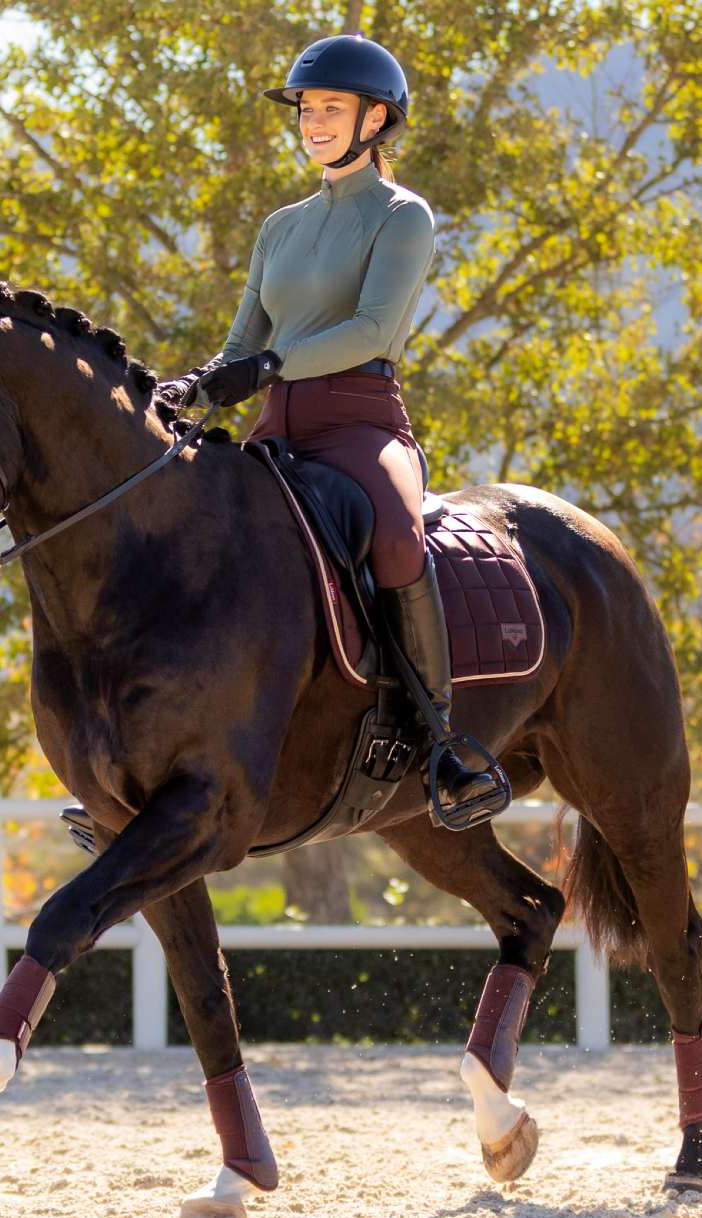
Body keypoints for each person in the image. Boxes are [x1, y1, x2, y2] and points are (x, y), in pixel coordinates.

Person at [161, 34, 498, 821]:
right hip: (274, 428)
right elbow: (242, 343)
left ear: (374, 119)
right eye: (307, 109)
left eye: (330, 109)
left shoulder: (401, 216)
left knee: (397, 537)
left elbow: (372, 330)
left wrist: (268, 365)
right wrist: (192, 383)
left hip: (360, 424)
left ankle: (441, 741)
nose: (312, 122)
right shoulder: (280, 226)